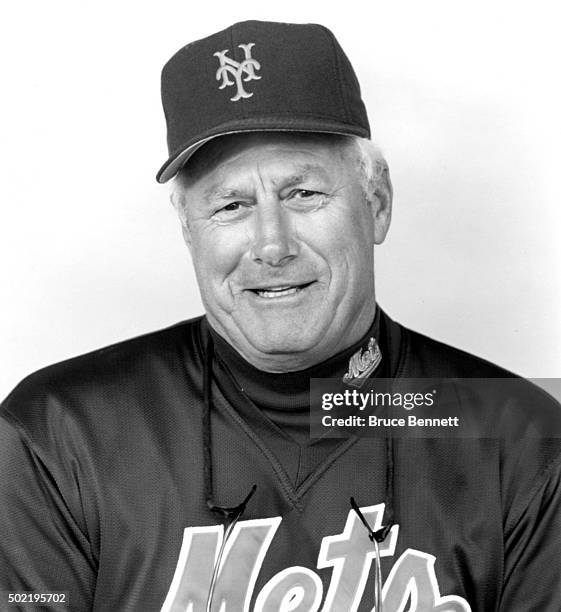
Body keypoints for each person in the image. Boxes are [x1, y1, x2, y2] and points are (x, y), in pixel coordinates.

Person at [1, 20, 560, 612]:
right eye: (231, 205)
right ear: (188, 231)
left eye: (303, 194)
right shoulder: (60, 435)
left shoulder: (517, 438)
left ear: (377, 204)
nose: (272, 245)